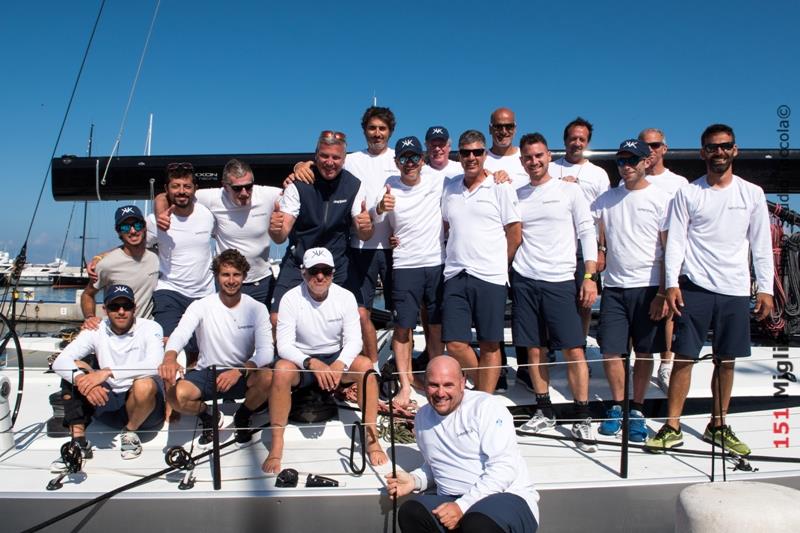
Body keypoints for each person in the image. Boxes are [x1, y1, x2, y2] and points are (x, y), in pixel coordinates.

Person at [646, 124, 774, 455]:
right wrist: (671, 283)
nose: (719, 152)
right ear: (703, 152)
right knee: (684, 358)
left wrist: (766, 289)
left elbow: (760, 244)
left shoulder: (752, 193)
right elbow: (675, 242)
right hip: (695, 286)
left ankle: (718, 424)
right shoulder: (688, 193)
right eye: (712, 147)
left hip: (734, 289)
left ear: (735, 150)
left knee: (726, 360)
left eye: (725, 146)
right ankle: (672, 426)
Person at [511, 133, 598, 452]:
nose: (534, 161)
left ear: (549, 156)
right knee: (534, 349)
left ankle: (582, 416)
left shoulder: (569, 191)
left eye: (539, 156)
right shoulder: (516, 194)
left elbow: (587, 232)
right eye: (528, 157)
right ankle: (543, 408)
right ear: (522, 161)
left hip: (561, 280)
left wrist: (589, 276)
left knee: (573, 349)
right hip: (524, 279)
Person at [264, 247, 386, 473]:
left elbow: (353, 341)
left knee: (366, 367)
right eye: (314, 271)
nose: (320, 276)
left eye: (326, 271)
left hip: (335, 358)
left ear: (333, 273)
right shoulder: (290, 299)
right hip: (303, 362)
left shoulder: (346, 297)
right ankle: (277, 444)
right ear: (303, 273)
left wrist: (339, 364)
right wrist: (312, 363)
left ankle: (371, 438)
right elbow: (284, 346)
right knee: (280, 370)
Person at [386, 356, 539, 533]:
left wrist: (462, 506)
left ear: (462, 383)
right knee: (412, 512)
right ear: (424, 384)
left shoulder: (486, 407)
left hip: (506, 497)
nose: (440, 393)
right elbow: (436, 466)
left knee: (476, 524)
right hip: (455, 500)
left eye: (448, 385)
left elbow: (504, 468)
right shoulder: (422, 418)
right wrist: (414, 481)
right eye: (434, 385)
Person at [291, 107, 398, 362]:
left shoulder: (401, 159)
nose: (377, 133)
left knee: (403, 314)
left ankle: (402, 363)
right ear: (364, 131)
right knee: (362, 313)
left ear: (390, 132)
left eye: (382, 129)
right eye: (372, 128)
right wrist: (300, 165)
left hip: (395, 247)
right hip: (360, 248)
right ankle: (366, 367)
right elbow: (322, 163)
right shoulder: (350, 159)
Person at [592, 139, 670, 443]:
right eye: (621, 161)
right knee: (611, 350)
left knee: (644, 351)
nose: (626, 166)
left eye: (632, 160)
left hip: (649, 286)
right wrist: (599, 249)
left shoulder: (661, 199)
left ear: (645, 162)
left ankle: (637, 408)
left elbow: (669, 248)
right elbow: (590, 228)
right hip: (614, 286)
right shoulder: (605, 199)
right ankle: (618, 404)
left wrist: (664, 292)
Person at [159, 249, 274, 446]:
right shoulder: (201, 305)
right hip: (208, 374)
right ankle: (208, 414)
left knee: (269, 377)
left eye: (236, 274)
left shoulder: (257, 308)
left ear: (244, 276)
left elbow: (266, 352)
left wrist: (239, 371)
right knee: (176, 397)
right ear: (216, 276)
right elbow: (180, 334)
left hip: (241, 374)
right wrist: (169, 358)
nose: (231, 280)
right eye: (225, 274)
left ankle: (243, 415)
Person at [441, 130, 521, 393]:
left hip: (490, 276)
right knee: (454, 343)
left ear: (485, 154)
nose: (471, 157)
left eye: (477, 152)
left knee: (490, 344)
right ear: (459, 156)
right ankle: (485, 383)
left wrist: (500, 263)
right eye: (466, 153)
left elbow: (514, 232)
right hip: (455, 274)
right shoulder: (450, 187)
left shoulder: (500, 185)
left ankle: (484, 401)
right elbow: (447, 227)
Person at [269, 130, 372, 326]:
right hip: (299, 260)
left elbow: (364, 233)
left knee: (361, 316)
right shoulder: (298, 184)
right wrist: (275, 228)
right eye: (324, 156)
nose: (329, 162)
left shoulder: (354, 186)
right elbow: (280, 236)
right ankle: (286, 357)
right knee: (276, 318)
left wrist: (366, 227)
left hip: (337, 262)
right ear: (316, 156)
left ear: (344, 159)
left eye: (336, 157)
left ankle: (369, 358)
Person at [53, 284, 165, 460]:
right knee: (74, 368)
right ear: (105, 310)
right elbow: (60, 361)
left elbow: (155, 364)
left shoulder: (151, 327)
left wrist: (107, 372)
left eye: (126, 306)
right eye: (114, 307)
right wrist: (85, 383)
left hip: (145, 411)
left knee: (145, 383)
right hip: (108, 403)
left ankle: (130, 432)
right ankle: (79, 441)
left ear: (134, 308)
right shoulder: (96, 330)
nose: (121, 311)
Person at [376, 136, 446, 408]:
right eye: (404, 158)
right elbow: (375, 215)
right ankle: (405, 386)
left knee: (437, 327)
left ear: (423, 159)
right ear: (397, 162)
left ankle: (435, 379)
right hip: (405, 265)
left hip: (436, 263)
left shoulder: (438, 180)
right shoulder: (389, 186)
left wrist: (495, 173)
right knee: (403, 328)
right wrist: (381, 206)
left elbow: (475, 172)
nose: (409, 163)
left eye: (414, 157)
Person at [155, 158, 282, 307]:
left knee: (268, 327)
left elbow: (296, 192)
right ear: (225, 186)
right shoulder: (212, 197)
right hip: (228, 283)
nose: (244, 193)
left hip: (263, 280)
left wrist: (300, 167)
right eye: (237, 188)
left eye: (248, 187)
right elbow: (167, 195)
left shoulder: (268, 195)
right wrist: (160, 213)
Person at [638, 128, 690, 393]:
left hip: (671, 251)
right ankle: (643, 361)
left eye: (655, 145)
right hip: (641, 257)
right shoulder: (630, 179)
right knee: (645, 312)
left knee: (670, 304)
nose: (650, 150)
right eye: (645, 146)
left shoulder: (679, 183)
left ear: (664, 148)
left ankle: (666, 363)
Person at [549, 117, 610, 340]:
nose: (577, 143)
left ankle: (580, 344)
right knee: (553, 297)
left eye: (582, 139)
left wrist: (601, 249)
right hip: (555, 244)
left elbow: (603, 215)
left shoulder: (598, 174)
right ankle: (553, 345)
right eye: (573, 138)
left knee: (585, 300)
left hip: (586, 246)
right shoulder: (550, 167)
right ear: (565, 141)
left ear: (587, 142)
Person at [146, 162, 215, 355]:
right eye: (176, 186)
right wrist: (103, 255)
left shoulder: (208, 215)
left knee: (204, 349)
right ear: (167, 189)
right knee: (169, 346)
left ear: (195, 189)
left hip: (204, 294)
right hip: (170, 292)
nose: (181, 191)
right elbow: (132, 243)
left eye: (187, 186)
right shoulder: (155, 221)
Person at [81, 205, 159, 327]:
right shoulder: (106, 265)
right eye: (125, 227)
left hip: (147, 332)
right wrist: (90, 318)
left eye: (137, 225)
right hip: (118, 334)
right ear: (118, 231)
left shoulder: (158, 257)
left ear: (144, 227)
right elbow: (87, 294)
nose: (133, 231)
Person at [483, 107, 529, 189]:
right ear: (490, 129)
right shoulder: (480, 160)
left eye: (509, 126)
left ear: (515, 129)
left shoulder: (529, 158)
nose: (504, 131)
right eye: (498, 127)